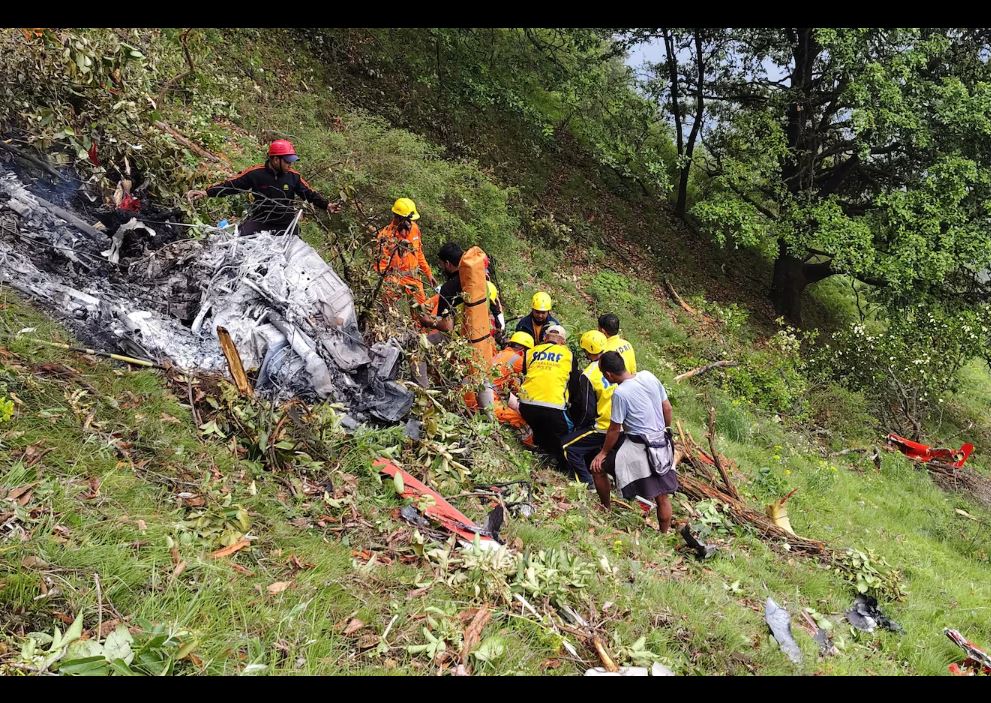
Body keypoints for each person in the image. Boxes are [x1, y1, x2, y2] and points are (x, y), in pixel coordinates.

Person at [590, 351, 677, 532]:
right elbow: (667, 408)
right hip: (662, 443)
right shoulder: (648, 376)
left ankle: (606, 507)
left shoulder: (620, 393)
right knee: (662, 497)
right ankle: (664, 534)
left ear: (608, 375)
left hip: (639, 446)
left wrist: (603, 453)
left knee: (597, 468)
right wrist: (665, 431)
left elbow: (614, 429)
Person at [186, 140, 340, 236]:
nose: (290, 164)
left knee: (295, 251)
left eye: (291, 161)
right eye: (287, 161)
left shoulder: (294, 177)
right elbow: (232, 185)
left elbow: (309, 193)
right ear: (275, 159)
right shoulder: (255, 173)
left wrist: (327, 205)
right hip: (260, 219)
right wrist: (207, 192)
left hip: (285, 222)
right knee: (239, 240)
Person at [517, 325, 576, 472]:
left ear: (544, 339)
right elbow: (573, 382)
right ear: (563, 341)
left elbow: (525, 373)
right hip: (553, 406)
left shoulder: (531, 352)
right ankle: (565, 468)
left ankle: (542, 452)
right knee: (566, 436)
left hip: (526, 405)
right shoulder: (568, 355)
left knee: (540, 427)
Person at [560, 330, 614, 486]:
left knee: (568, 447)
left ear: (586, 351)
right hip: (622, 423)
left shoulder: (589, 374)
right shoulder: (615, 361)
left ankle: (586, 482)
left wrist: (578, 427)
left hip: (603, 426)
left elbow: (587, 409)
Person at [374, 198, 437, 309]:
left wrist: (428, 273)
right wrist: (388, 283)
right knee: (386, 310)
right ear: (397, 217)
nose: (410, 223)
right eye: (407, 219)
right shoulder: (385, 236)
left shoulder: (414, 229)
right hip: (393, 280)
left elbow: (419, 253)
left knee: (422, 312)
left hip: (413, 279)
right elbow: (380, 266)